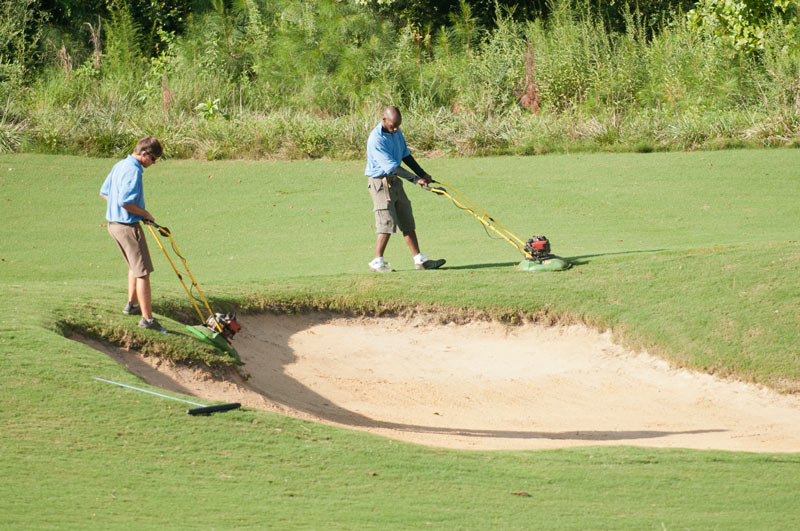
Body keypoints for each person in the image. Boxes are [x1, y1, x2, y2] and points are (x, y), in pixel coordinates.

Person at [365, 106, 446, 273]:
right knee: (386, 223)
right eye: (393, 125)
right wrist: (416, 180)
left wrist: (422, 173)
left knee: (406, 219)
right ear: (384, 119)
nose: (395, 129)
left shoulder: (396, 133)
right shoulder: (376, 139)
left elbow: (405, 156)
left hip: (395, 182)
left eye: (398, 125)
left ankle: (420, 260)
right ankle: (377, 262)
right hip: (380, 184)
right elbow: (392, 167)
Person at [100, 136, 165, 331]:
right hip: (127, 227)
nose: (153, 164)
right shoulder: (133, 170)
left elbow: (105, 192)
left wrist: (129, 210)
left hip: (114, 225)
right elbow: (125, 202)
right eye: (153, 159)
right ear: (144, 153)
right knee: (143, 272)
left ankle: (132, 304)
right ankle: (147, 320)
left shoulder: (120, 165)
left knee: (134, 266)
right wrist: (144, 213)